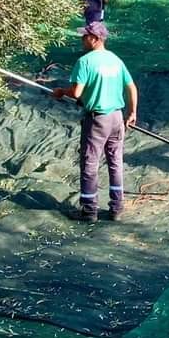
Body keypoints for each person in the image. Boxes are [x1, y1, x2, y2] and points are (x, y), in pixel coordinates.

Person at [53, 21, 138, 222]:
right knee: (115, 162)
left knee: (90, 164)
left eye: (85, 36)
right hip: (117, 117)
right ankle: (117, 207)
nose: (82, 40)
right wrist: (132, 113)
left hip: (97, 120)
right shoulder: (116, 60)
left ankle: (89, 210)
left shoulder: (85, 62)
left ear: (95, 38)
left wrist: (60, 92)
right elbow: (132, 87)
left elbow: (76, 93)